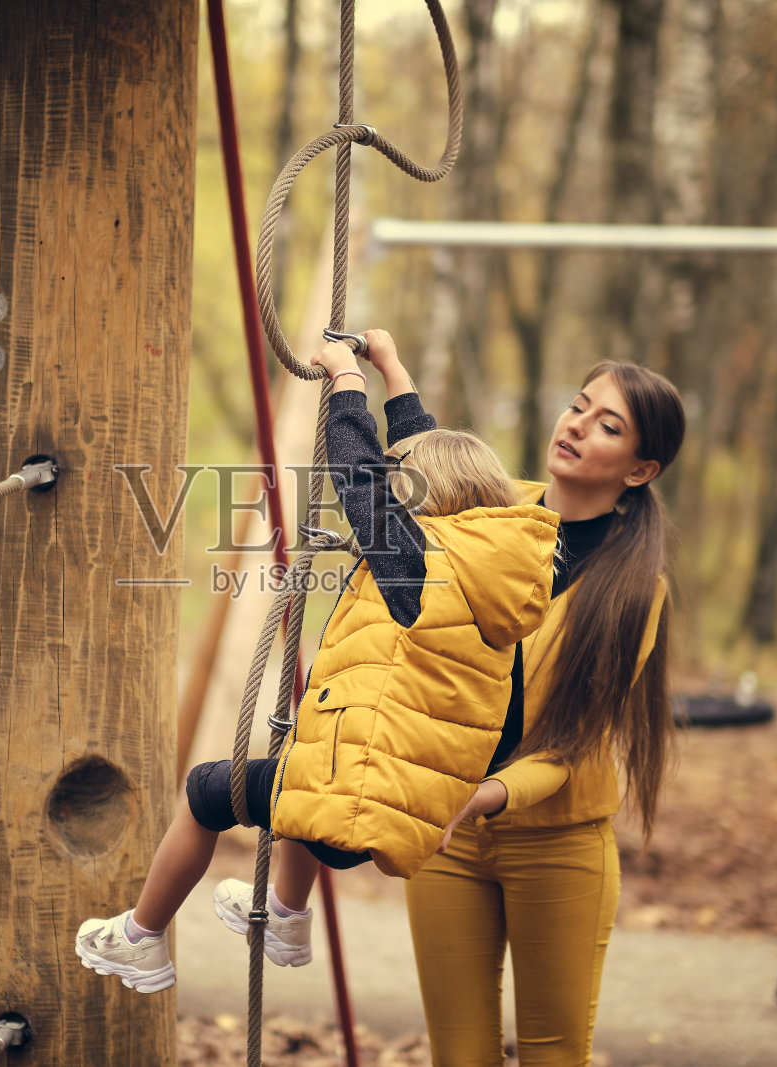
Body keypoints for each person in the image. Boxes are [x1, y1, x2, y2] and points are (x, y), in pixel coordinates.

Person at [75, 334, 560, 994]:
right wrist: (392, 367)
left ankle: (141, 936)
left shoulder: (415, 566)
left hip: (355, 798)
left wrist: (347, 380)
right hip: (393, 805)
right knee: (309, 759)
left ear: (421, 502)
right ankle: (285, 915)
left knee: (203, 793)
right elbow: (509, 720)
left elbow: (360, 477)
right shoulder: (493, 585)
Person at [374, 333, 685, 1067]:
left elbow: (573, 745)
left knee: (551, 1055)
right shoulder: (496, 507)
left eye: (607, 424)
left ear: (641, 469)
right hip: (444, 833)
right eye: (579, 406)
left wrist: (485, 794)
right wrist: (383, 371)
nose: (575, 425)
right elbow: (420, 457)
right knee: (460, 1055)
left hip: (558, 843)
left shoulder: (636, 589)